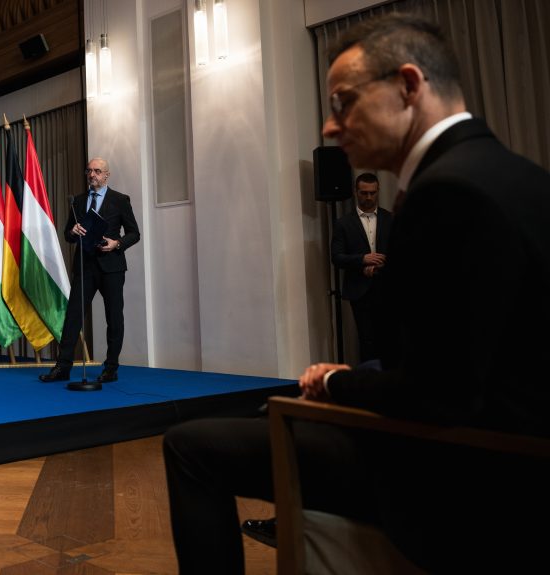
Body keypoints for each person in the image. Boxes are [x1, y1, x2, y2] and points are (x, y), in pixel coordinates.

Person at [163, 13, 550, 574]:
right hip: (504, 445)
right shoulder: (519, 175)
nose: (329, 126)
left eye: (343, 102)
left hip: (471, 479)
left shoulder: (446, 193)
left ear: (408, 86)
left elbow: (439, 393)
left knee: (190, 447)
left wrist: (335, 383)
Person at [39, 157, 140, 385]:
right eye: (89, 171)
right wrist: (73, 231)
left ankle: (111, 368)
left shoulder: (120, 200)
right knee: (73, 316)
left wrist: (117, 243)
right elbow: (68, 234)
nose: (92, 175)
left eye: (97, 171)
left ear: (106, 175)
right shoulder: (78, 201)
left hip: (111, 267)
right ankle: (63, 367)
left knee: (114, 317)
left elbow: (134, 233)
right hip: (85, 266)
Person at [331, 172, 392, 361]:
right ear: (356, 192)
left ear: (378, 191)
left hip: (387, 288)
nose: (369, 197)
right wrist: (362, 260)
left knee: (389, 339)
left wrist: (379, 267)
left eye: (372, 193)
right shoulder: (343, 223)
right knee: (366, 340)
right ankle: (369, 377)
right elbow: (337, 257)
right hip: (360, 290)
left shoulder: (390, 219)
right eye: (364, 193)